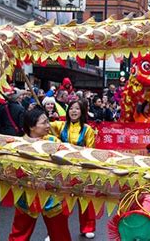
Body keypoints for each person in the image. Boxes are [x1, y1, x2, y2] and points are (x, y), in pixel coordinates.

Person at [9, 108, 71, 241]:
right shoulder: (17, 145)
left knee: (60, 234)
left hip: (53, 195)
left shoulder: (53, 141)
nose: (48, 126)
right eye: (44, 123)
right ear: (32, 126)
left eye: (48, 122)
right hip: (26, 194)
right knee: (19, 234)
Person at [50, 101, 97, 239]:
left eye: (77, 108)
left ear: (82, 111)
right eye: (71, 108)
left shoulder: (88, 129)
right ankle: (52, 231)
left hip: (81, 169)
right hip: (62, 168)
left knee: (84, 199)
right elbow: (44, 127)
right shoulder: (60, 125)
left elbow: (91, 150)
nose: (74, 111)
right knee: (58, 201)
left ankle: (88, 227)